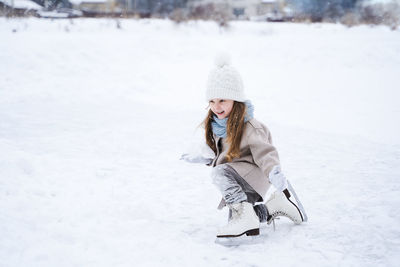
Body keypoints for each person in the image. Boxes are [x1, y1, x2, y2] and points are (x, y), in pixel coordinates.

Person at [182, 54, 305, 238]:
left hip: (254, 176)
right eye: (212, 101)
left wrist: (274, 170)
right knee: (241, 219)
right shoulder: (218, 125)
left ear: (235, 100)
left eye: (222, 100)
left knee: (219, 174)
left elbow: (265, 152)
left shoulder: (250, 127)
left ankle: (245, 215)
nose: (216, 106)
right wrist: (207, 156)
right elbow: (222, 154)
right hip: (240, 179)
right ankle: (275, 206)